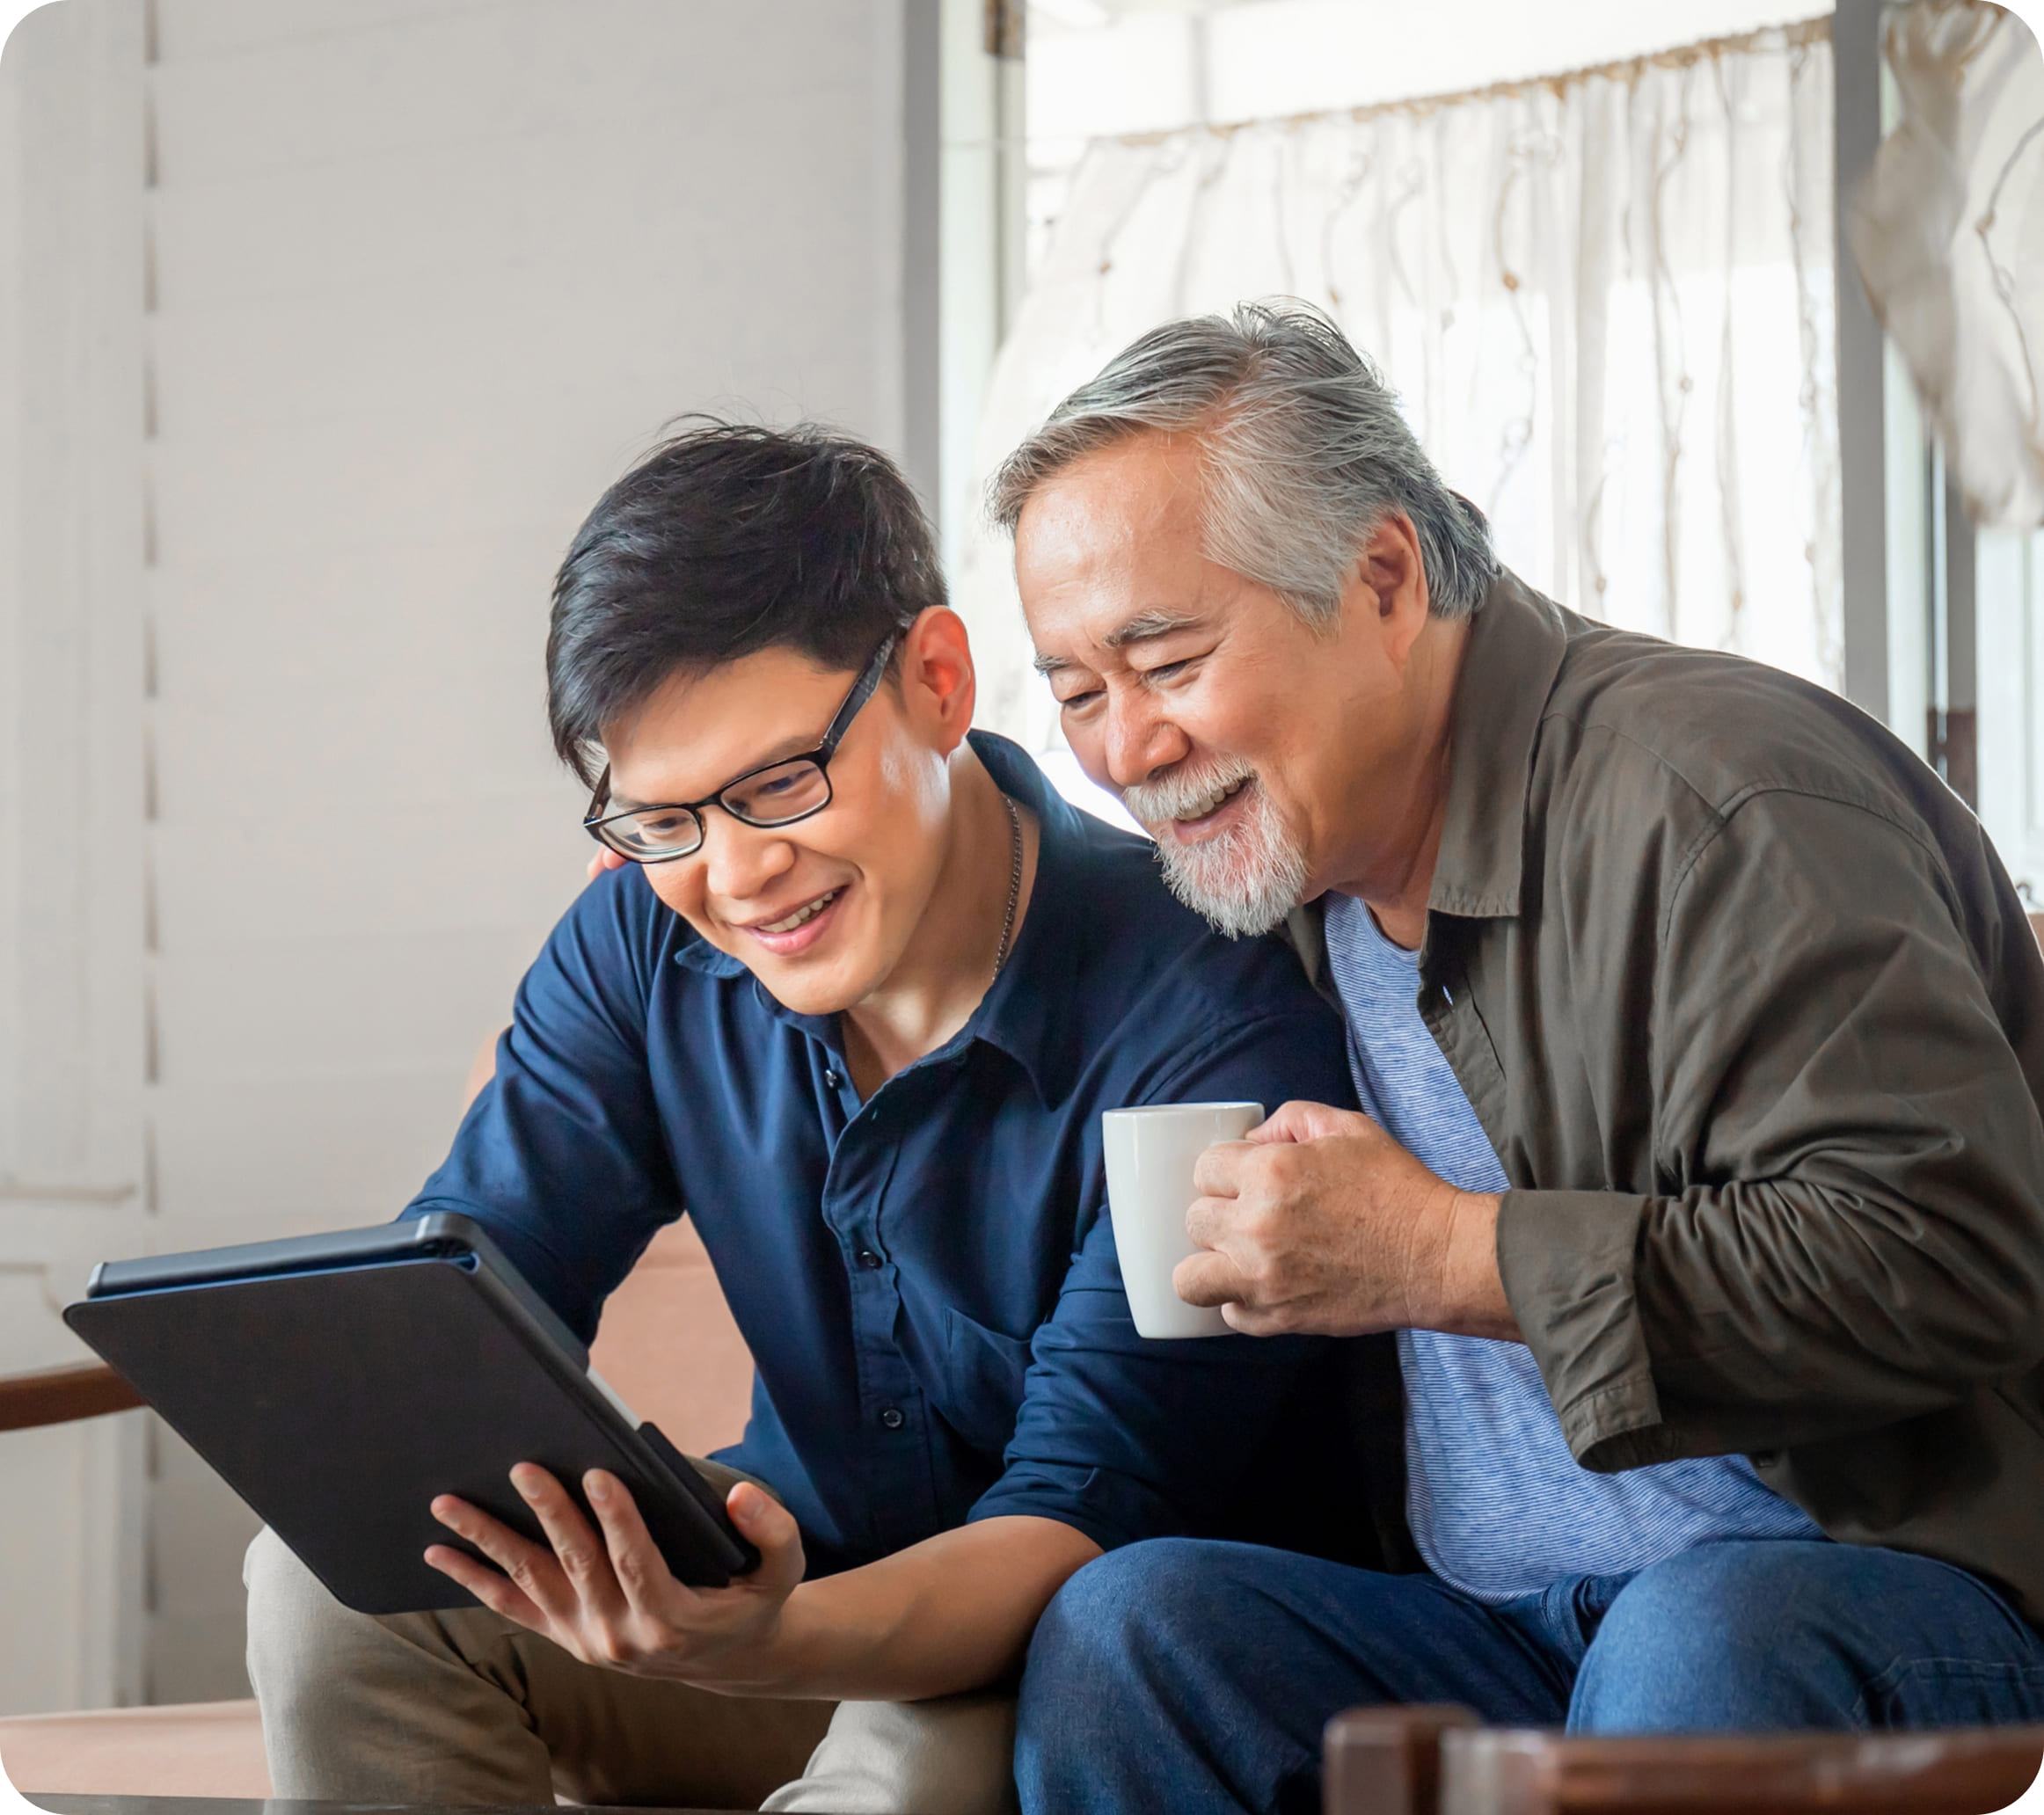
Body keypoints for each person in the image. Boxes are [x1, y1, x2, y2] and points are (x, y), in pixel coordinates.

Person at [991, 302, 2044, 1815]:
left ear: (1384, 578)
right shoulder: (1277, 880)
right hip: (1494, 1633)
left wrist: (1437, 1253)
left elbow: (1944, 1254)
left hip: (1877, 1599)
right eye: (1079, 691)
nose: (1126, 749)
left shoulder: (1719, 799)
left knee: (1699, 1639)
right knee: (1130, 1634)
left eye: (1166, 658)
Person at [242, 422, 1357, 1812]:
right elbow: (474, 1291)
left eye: (778, 784)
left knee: (903, 1766)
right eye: (662, 820)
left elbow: (1079, 1520)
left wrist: (760, 1639)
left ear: (938, 684)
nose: (737, 875)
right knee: (332, 1580)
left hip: (1057, 1647)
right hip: (781, 1583)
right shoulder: (646, 944)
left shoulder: (1210, 1019)